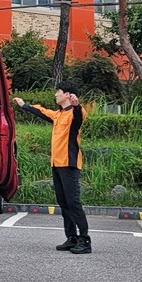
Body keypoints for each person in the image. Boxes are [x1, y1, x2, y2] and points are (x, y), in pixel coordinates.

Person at [14, 81, 90, 253]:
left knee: (73, 202)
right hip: (56, 164)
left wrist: (77, 106)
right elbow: (42, 112)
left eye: (58, 91)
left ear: (67, 95)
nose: (55, 94)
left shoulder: (75, 113)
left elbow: (79, 117)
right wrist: (24, 105)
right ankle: (71, 237)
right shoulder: (58, 115)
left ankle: (84, 240)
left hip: (69, 164)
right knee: (63, 203)